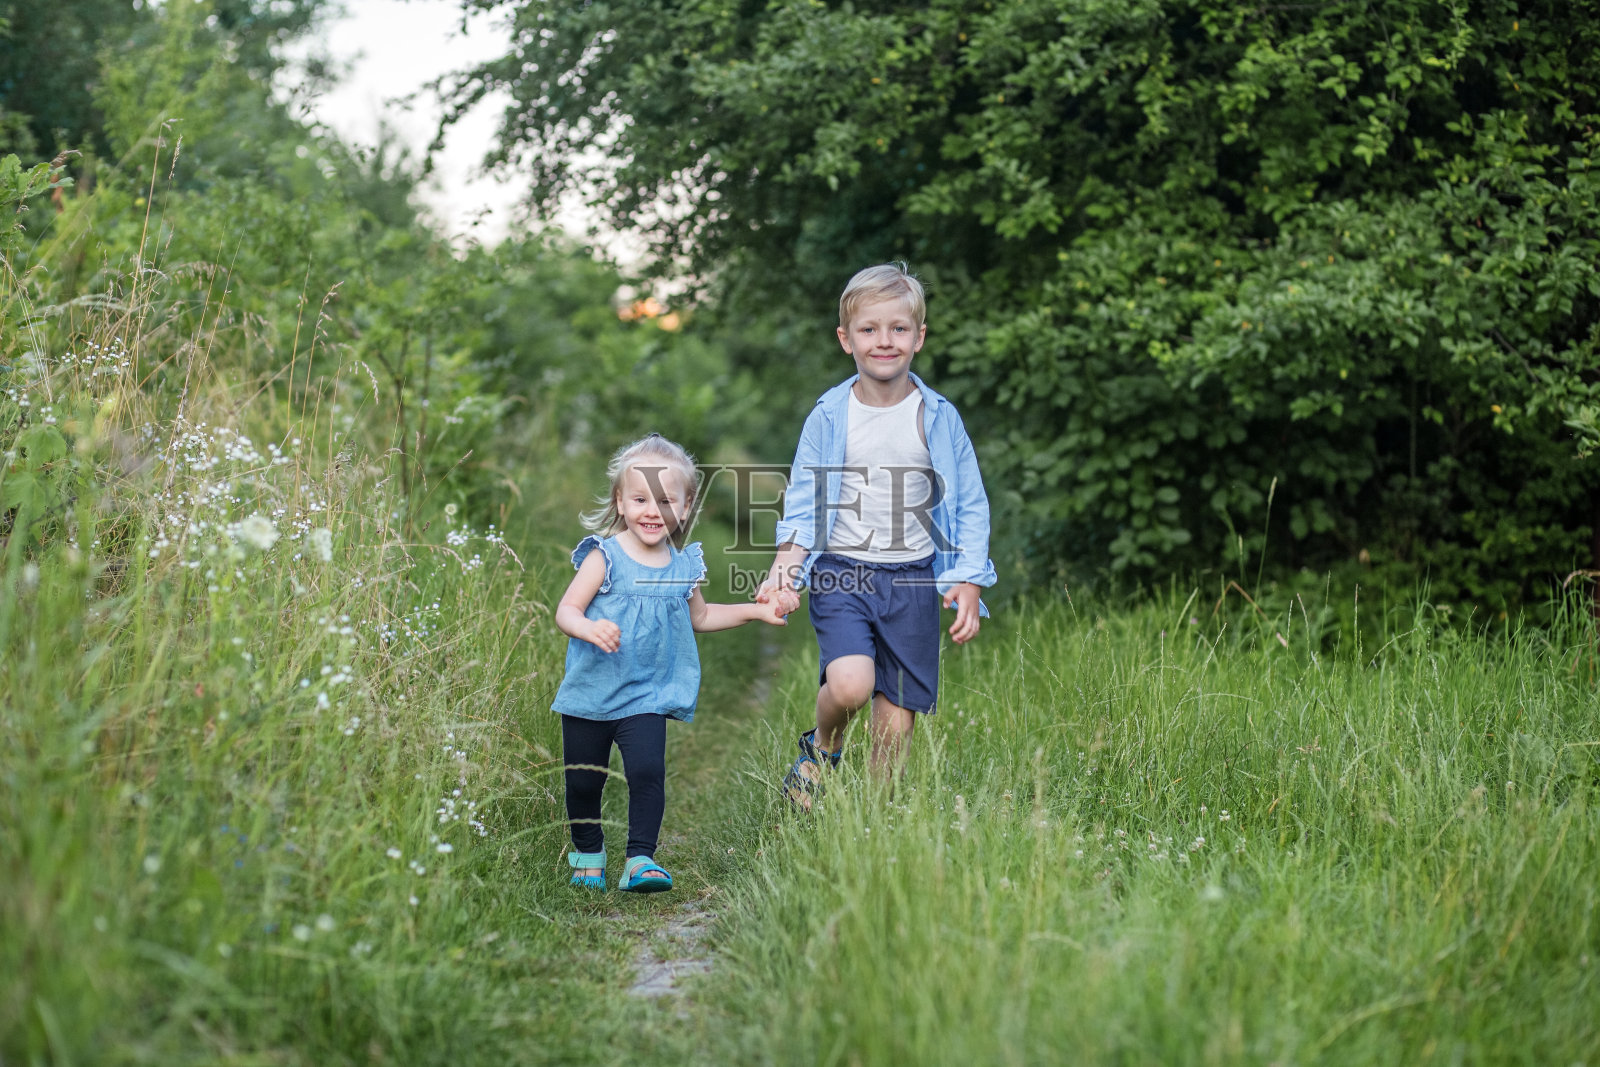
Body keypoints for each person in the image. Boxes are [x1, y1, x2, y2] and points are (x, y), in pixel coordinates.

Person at [758, 263, 996, 810]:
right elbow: (805, 502)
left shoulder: (938, 416)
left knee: (896, 720)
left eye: (898, 328)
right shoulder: (830, 414)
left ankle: (869, 824)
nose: (884, 340)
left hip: (914, 578)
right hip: (843, 572)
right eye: (869, 329)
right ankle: (822, 749)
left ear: (919, 337)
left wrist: (968, 578)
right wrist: (783, 571)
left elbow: (968, 503)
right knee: (850, 685)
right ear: (846, 339)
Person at [553, 433, 786, 892]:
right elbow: (566, 610)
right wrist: (587, 628)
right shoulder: (604, 557)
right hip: (590, 690)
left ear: (685, 507)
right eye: (640, 499)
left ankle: (640, 859)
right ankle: (588, 854)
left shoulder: (682, 566)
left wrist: (755, 611)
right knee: (583, 782)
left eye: (665, 501)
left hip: (648, 693)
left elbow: (702, 616)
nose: (652, 511)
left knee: (647, 772)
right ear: (620, 501)